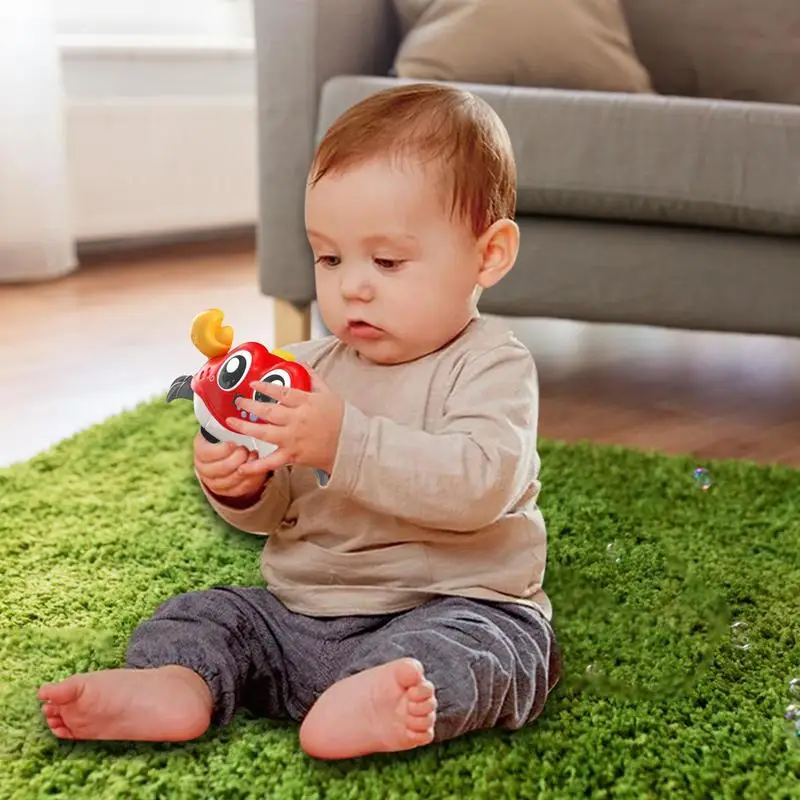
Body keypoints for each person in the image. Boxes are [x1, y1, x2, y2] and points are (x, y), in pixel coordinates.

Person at [38, 83, 561, 760]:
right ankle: (178, 684)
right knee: (212, 613)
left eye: (389, 261)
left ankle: (378, 697)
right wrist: (242, 487)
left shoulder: (492, 365)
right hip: (304, 614)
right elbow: (283, 510)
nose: (352, 286)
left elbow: (478, 486)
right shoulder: (303, 367)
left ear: (487, 254)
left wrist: (344, 440)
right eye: (330, 257)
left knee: (496, 653)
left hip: (450, 603)